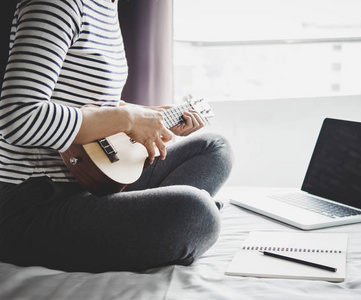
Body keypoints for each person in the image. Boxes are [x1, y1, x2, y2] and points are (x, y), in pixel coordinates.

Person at [0, 0, 233, 273]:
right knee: (196, 213)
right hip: (34, 200)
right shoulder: (58, 4)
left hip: (93, 178)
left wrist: (150, 117)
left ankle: (135, 219)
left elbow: (92, 102)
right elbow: (17, 116)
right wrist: (129, 119)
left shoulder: (106, 6)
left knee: (214, 148)